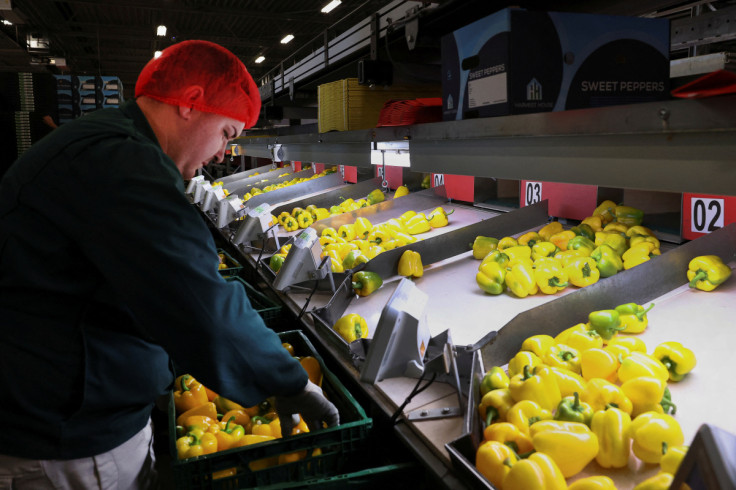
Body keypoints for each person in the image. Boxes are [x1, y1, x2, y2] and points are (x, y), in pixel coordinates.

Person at [0, 40, 338, 489]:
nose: (223, 154)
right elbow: (197, 299)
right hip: (64, 437)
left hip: (58, 408)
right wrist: (289, 382)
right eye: (227, 134)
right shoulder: (125, 164)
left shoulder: (105, 142)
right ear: (191, 104)